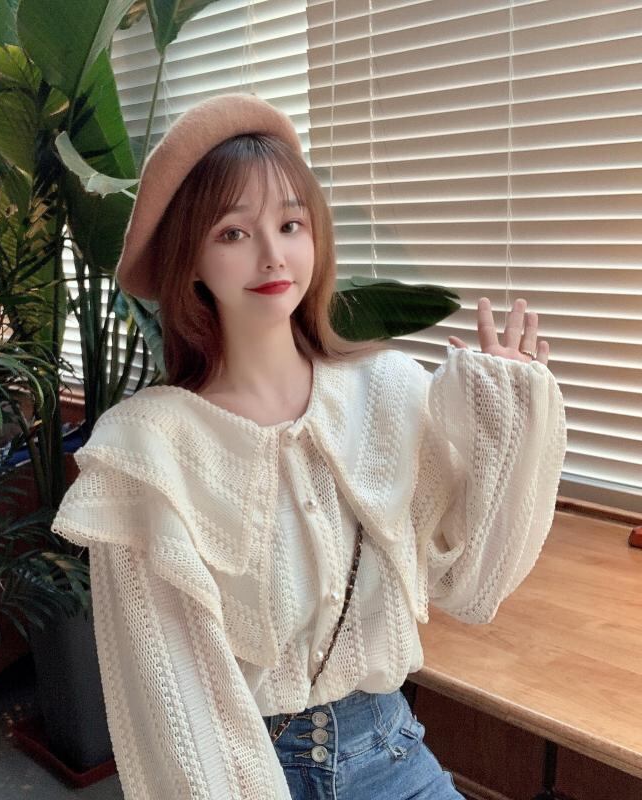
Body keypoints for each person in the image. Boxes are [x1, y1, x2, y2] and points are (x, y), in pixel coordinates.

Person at [52, 93, 567, 800]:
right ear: (190, 259)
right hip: (248, 771)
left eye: (290, 224)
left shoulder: (387, 391)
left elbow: (469, 585)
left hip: (391, 752)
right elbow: (172, 703)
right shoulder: (145, 451)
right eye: (233, 233)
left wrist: (511, 423)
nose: (272, 254)